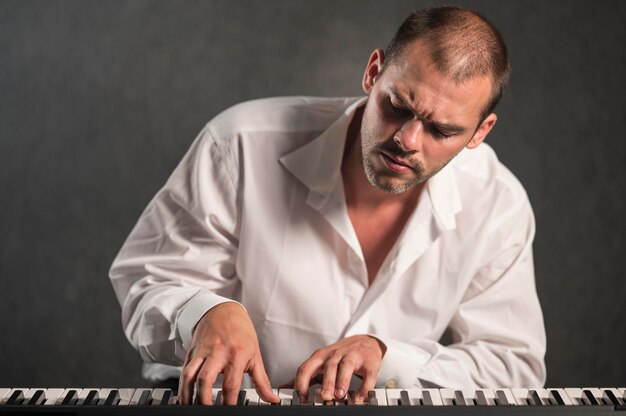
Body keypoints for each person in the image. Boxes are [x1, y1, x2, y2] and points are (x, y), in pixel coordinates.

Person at [109, 6, 546, 406]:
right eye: (396, 106)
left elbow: (514, 368)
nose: (407, 141)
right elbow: (147, 283)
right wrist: (204, 312)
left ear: (479, 131)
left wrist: (389, 359)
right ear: (373, 72)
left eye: (442, 131)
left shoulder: (497, 205)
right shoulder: (238, 144)